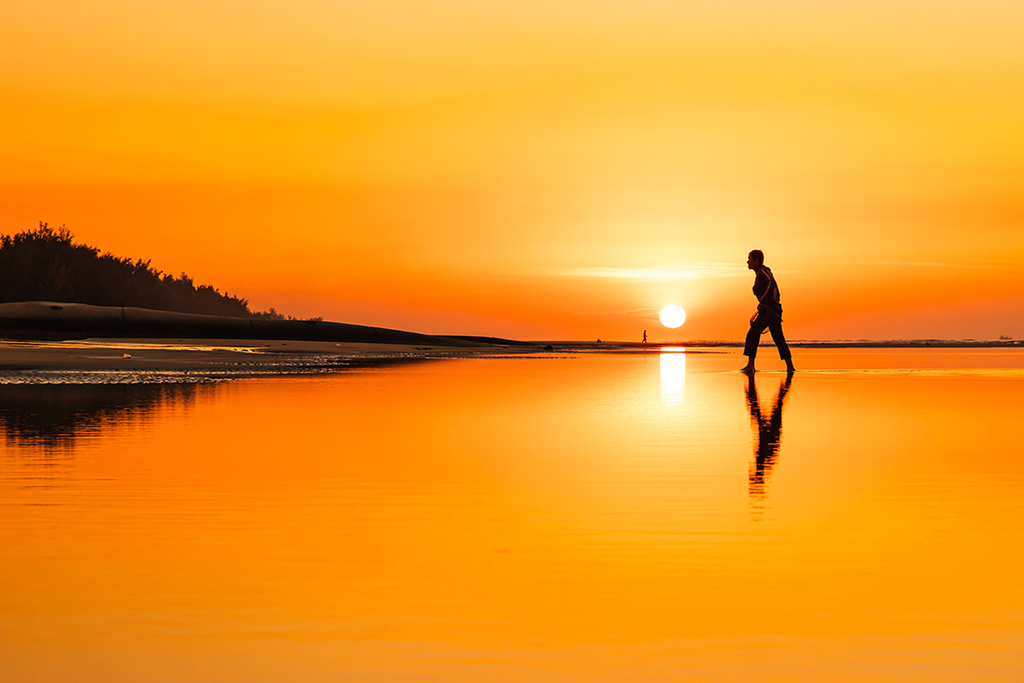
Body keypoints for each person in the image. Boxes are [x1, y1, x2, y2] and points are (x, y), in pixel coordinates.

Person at [741, 250, 795, 373]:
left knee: (753, 333)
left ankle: (750, 366)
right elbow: (776, 290)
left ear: (756, 260)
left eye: (750, 259)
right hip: (773, 310)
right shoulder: (762, 272)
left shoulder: (762, 272)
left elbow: (770, 283)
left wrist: (764, 302)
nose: (747, 261)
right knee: (778, 337)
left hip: (769, 311)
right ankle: (790, 366)